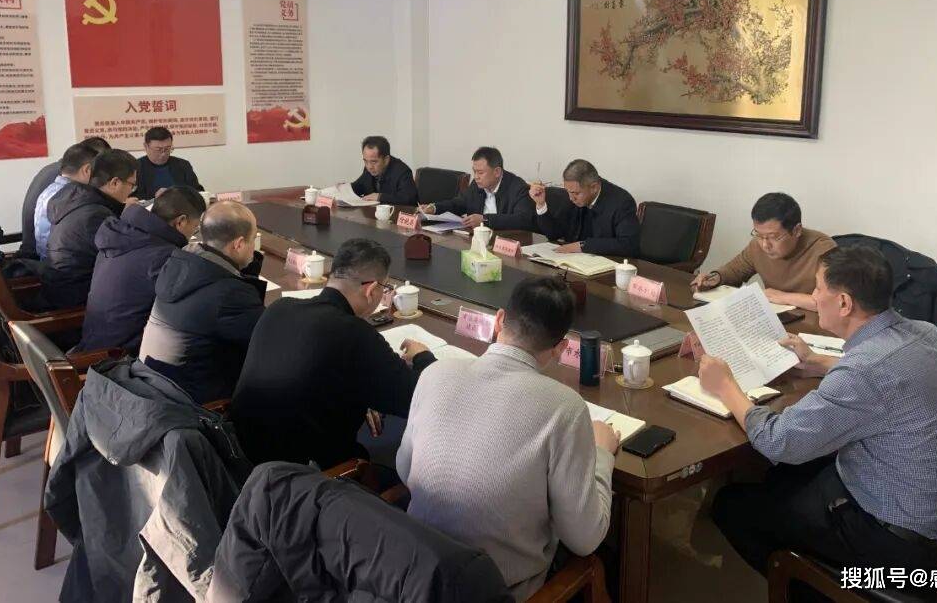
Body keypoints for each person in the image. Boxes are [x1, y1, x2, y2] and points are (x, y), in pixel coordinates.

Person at [702, 246, 937, 589]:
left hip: (897, 538)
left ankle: (811, 589)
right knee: (784, 477)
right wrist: (820, 362)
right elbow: (891, 377)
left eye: (818, 288)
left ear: (843, 303)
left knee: (732, 505)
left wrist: (726, 386)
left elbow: (778, 442)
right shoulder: (928, 333)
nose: (813, 296)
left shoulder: (864, 372)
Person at [397, 276, 619, 601]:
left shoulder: (434, 373)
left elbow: (405, 471)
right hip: (497, 592)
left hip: (413, 578)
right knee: (605, 556)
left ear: (500, 319)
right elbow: (585, 539)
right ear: (561, 348)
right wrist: (602, 455)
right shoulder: (565, 408)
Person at [231, 238, 437, 469]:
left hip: (240, 457)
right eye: (385, 288)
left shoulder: (279, 308)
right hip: (306, 476)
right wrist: (423, 357)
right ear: (371, 290)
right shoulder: (355, 334)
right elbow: (419, 399)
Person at [139, 201, 265, 404]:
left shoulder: (180, 264)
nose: (254, 246)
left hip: (153, 387)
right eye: (253, 239)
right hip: (191, 406)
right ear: (239, 244)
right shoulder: (230, 293)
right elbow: (266, 339)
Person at [78, 186, 207, 355]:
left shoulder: (122, 235)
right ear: (181, 221)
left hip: (94, 341)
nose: (193, 234)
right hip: (120, 357)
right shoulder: (163, 257)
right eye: (195, 227)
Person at [690, 192, 835, 311]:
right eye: (759, 235)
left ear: (796, 230)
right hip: (776, 320)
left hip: (815, 326)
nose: (765, 245)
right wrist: (714, 278)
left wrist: (782, 296)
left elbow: (832, 302)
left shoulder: (824, 250)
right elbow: (734, 271)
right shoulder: (757, 245)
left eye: (773, 237)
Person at [40, 149, 139, 310]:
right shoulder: (96, 216)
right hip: (77, 301)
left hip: (59, 290)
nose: (131, 191)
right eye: (132, 185)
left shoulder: (74, 198)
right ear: (115, 183)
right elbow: (123, 261)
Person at [19, 137, 109, 258]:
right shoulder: (71, 192)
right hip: (46, 258)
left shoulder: (56, 180)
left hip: (40, 254)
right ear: (87, 169)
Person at [528, 159, 639, 257]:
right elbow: (554, 234)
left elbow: (628, 245)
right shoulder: (571, 196)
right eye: (568, 191)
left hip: (608, 265)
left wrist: (583, 246)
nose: (571, 198)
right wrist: (541, 205)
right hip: (574, 262)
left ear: (594, 187)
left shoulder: (621, 202)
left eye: (576, 193)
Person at [419, 146, 533, 230]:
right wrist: (434, 208)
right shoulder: (477, 184)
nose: (476, 177)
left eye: (480, 172)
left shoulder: (518, 188)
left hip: (506, 242)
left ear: (497, 172)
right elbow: (459, 203)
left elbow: (522, 220)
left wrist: (485, 220)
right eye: (474, 172)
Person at [133, 126, 204, 201]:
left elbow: (198, 192)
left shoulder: (183, 165)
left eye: (167, 149)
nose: (163, 154)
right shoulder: (135, 168)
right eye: (158, 149)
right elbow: (131, 198)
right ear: (146, 146)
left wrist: (176, 194)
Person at [349, 135, 418, 205]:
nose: (369, 166)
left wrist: (380, 197)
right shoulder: (369, 169)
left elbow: (408, 199)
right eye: (366, 161)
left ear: (386, 159)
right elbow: (358, 186)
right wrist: (345, 188)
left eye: (374, 162)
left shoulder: (402, 171)